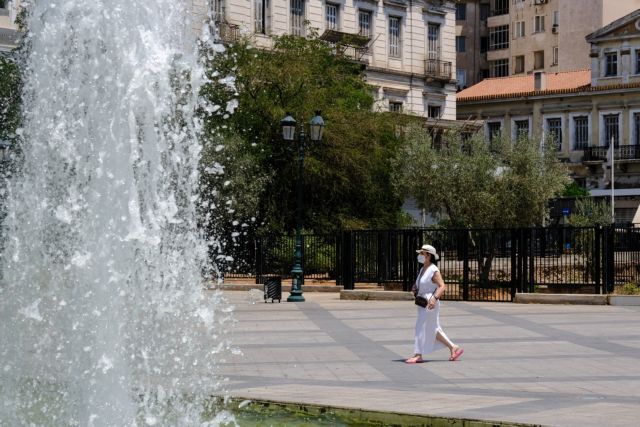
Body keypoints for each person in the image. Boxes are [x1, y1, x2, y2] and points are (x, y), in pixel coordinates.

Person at [406, 244, 464, 363]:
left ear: (428, 255)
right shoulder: (422, 269)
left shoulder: (433, 270)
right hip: (423, 302)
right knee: (433, 328)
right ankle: (453, 347)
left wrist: (434, 298)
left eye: (422, 253)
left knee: (420, 327)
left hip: (430, 302)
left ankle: (418, 355)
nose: (420, 255)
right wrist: (415, 288)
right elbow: (422, 284)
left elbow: (442, 286)